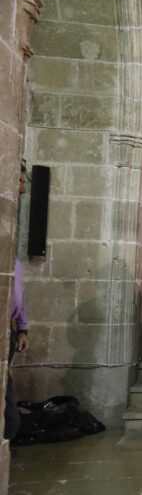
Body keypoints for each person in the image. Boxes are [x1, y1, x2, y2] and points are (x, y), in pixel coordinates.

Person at [5, 162, 30, 442]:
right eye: (19, 180)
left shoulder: (11, 251)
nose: (22, 188)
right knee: (10, 416)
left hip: (9, 332)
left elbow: (17, 291)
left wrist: (22, 327)